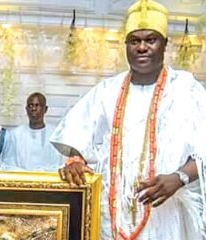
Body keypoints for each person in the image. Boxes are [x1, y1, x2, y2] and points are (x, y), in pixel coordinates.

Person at [50, 0, 206, 239]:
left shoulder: (187, 89)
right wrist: (75, 161)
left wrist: (180, 177)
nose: (142, 47)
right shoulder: (106, 91)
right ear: (126, 46)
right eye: (135, 41)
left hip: (167, 215)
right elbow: (75, 139)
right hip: (110, 215)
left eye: (150, 40)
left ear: (165, 44)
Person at [1, 92, 63, 171]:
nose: (33, 109)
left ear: (45, 109)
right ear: (26, 109)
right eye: (30, 106)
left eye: (37, 105)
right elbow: (8, 164)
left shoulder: (55, 134)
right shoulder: (15, 135)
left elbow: (60, 164)